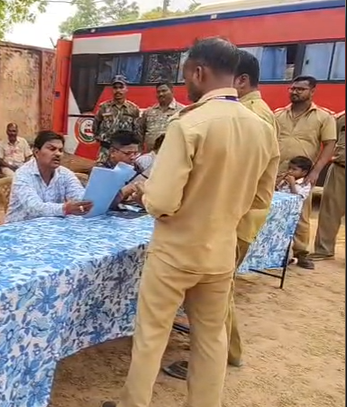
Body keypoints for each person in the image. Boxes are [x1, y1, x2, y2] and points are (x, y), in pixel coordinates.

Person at [103, 37, 279, 407]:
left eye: (185, 76)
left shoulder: (189, 124)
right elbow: (262, 199)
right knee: (211, 338)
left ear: (199, 72)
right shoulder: (262, 128)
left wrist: (148, 194)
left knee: (151, 336)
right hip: (220, 252)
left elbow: (163, 201)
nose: (185, 84)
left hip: (175, 252)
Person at [226, 49, 280, 367]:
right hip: (242, 215)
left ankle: (223, 353)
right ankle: (225, 351)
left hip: (238, 217)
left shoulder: (251, 115)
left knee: (216, 291)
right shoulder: (254, 111)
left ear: (241, 81)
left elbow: (241, 177)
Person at [275, 76, 337, 269]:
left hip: (303, 177)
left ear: (312, 91)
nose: (295, 92)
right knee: (272, 212)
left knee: (301, 216)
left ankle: (301, 253)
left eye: (300, 89)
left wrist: (315, 172)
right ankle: (272, 252)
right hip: (277, 173)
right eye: (292, 88)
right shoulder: (278, 114)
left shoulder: (323, 117)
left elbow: (329, 144)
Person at [4, 131, 91, 223]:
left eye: (60, 150)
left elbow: (80, 196)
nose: (58, 154)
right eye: (52, 149)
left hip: (51, 226)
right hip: (20, 227)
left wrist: (88, 202)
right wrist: (64, 208)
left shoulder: (65, 174)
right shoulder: (23, 174)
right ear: (36, 152)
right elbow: (34, 208)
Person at [312, 111, 346, 261]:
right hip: (340, 168)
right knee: (330, 210)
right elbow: (331, 141)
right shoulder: (341, 118)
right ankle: (323, 250)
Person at [94, 75, 141, 164]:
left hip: (124, 153)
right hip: (105, 151)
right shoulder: (104, 107)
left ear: (126, 89)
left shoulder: (133, 109)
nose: (118, 90)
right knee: (101, 170)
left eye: (121, 87)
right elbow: (96, 126)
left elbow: (137, 131)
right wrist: (101, 139)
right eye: (115, 88)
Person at [137, 82, 184, 150]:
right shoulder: (148, 112)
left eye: (164, 91)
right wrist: (139, 150)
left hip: (173, 152)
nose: (161, 94)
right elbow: (140, 133)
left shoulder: (182, 111)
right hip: (151, 153)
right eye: (158, 92)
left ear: (172, 91)